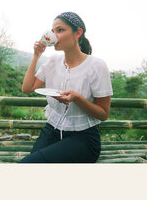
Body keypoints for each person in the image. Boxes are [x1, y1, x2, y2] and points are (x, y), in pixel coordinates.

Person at [20, 12, 113, 163]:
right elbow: (27, 88)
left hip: (83, 138)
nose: (54, 35)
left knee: (28, 164)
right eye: (53, 31)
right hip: (52, 130)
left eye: (60, 30)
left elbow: (103, 114)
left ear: (78, 33)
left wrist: (77, 98)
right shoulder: (53, 61)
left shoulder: (96, 66)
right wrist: (36, 55)